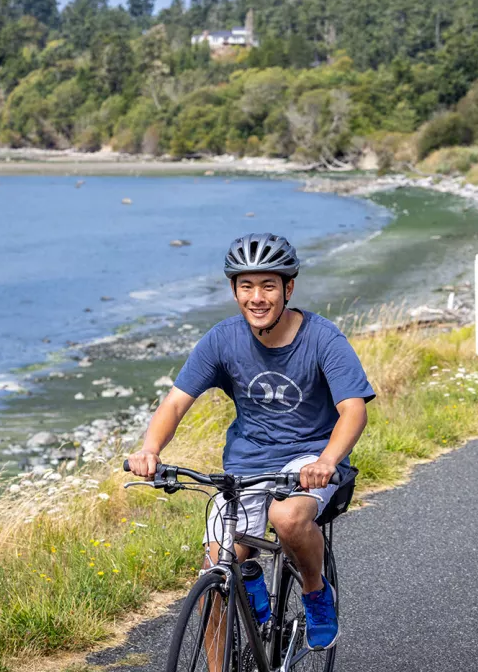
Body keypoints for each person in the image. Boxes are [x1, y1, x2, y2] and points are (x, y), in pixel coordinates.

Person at [126, 233, 374, 652]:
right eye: (246, 286)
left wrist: (328, 459)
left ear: (288, 289)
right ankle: (239, 607)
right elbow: (175, 403)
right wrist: (150, 449)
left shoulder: (323, 338)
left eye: (268, 286)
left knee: (288, 517)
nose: (257, 297)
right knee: (217, 573)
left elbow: (354, 409)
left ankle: (315, 592)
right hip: (245, 464)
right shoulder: (222, 339)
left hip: (309, 457)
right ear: (234, 290)